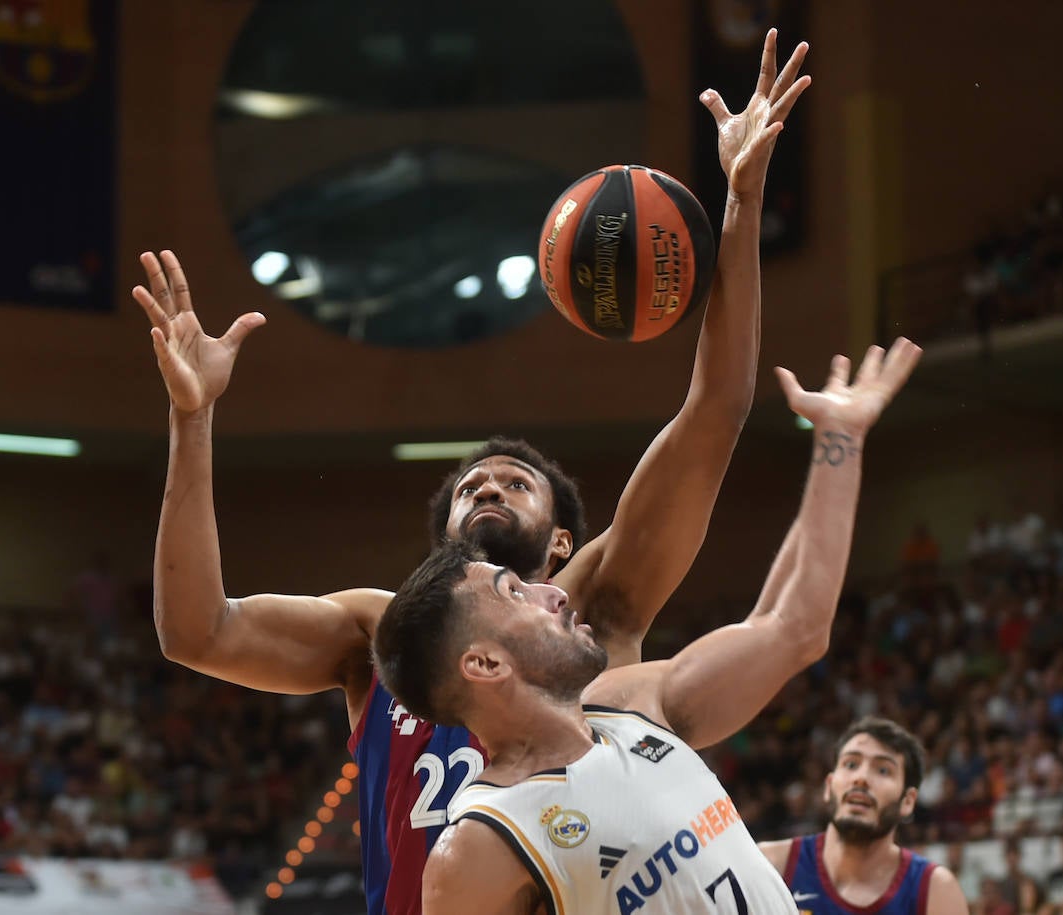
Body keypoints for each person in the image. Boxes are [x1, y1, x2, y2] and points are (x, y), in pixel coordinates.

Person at [133, 31, 810, 915]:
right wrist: (193, 421)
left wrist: (744, 200)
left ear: (563, 540)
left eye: (514, 483)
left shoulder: (598, 609)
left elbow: (715, 412)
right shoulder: (378, 636)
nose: (486, 488)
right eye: (470, 487)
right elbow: (196, 631)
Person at [374, 342, 922, 914]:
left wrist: (841, 439)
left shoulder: (628, 703)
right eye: (515, 593)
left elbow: (794, 626)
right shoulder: (479, 845)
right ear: (485, 664)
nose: (555, 591)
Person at [758, 718, 967, 915]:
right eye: (851, 764)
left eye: (883, 770)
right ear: (829, 786)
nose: (861, 778)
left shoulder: (936, 890)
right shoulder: (771, 864)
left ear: (908, 801)